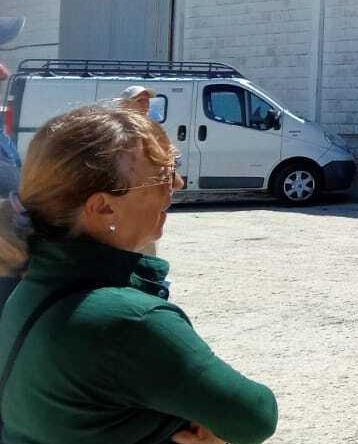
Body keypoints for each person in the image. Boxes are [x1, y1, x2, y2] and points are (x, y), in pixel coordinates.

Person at [0, 105, 277, 443]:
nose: (177, 182)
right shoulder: (129, 321)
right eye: (163, 175)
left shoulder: (32, 284)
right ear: (103, 207)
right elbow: (255, 416)